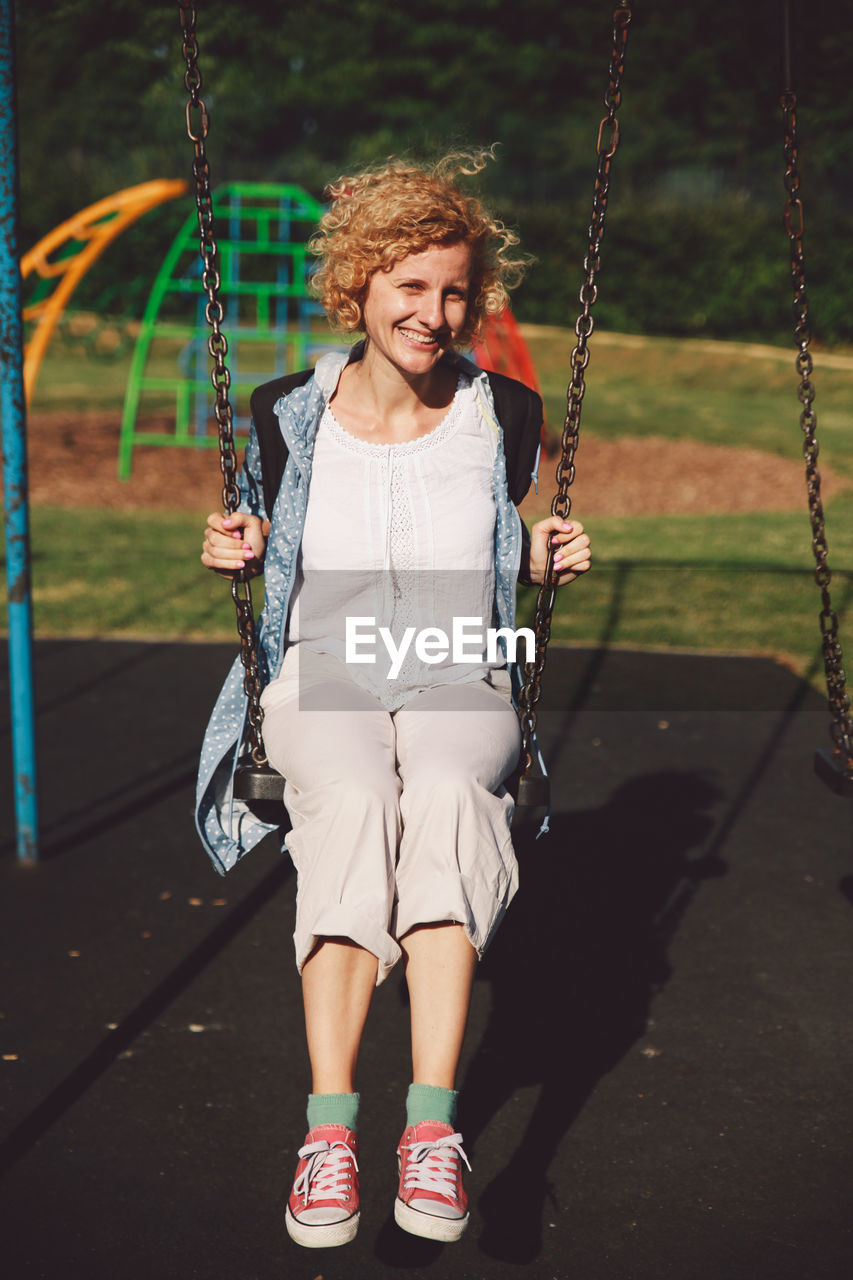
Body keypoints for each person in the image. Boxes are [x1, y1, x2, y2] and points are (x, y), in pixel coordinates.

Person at [197, 151, 591, 1249]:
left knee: (455, 796)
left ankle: (429, 1128)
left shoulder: (501, 410)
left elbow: (502, 542)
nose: (437, 311)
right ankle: (329, 1132)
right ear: (360, 286)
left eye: (456, 289)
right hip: (327, 666)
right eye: (411, 286)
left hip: (460, 663)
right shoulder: (286, 413)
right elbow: (260, 539)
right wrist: (236, 544)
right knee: (358, 803)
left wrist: (542, 561)